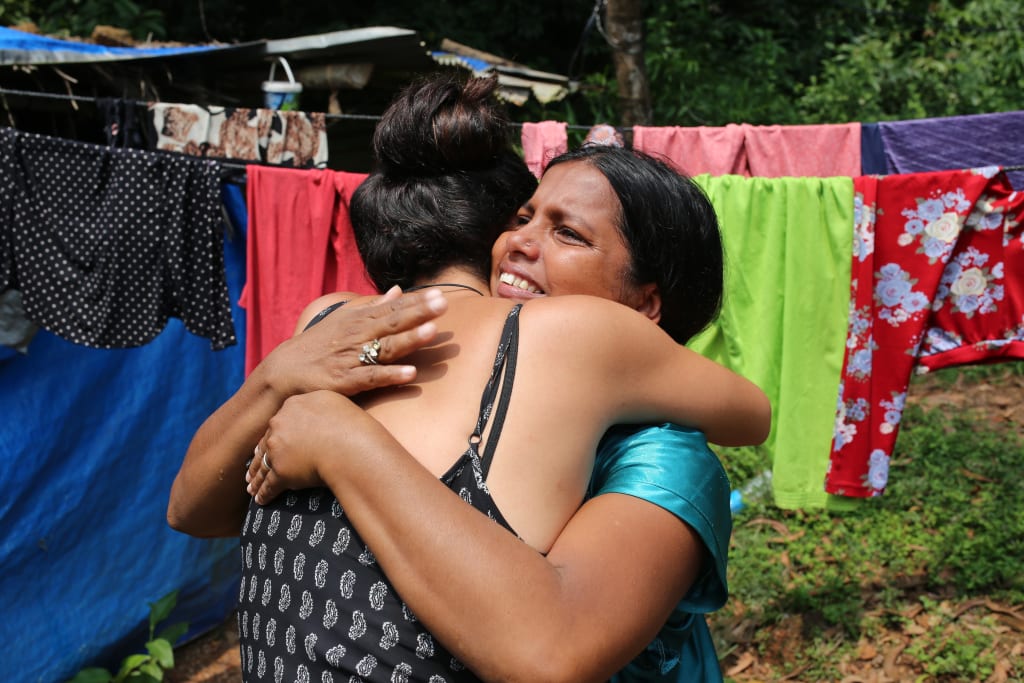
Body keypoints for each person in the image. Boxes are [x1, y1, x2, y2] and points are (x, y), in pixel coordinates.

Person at [169, 75, 770, 681]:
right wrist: (277, 377)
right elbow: (198, 509)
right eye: (521, 216)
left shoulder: (664, 455)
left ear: (644, 306)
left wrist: (341, 439)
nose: (518, 243)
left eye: (568, 233)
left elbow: (551, 651)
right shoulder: (354, 338)